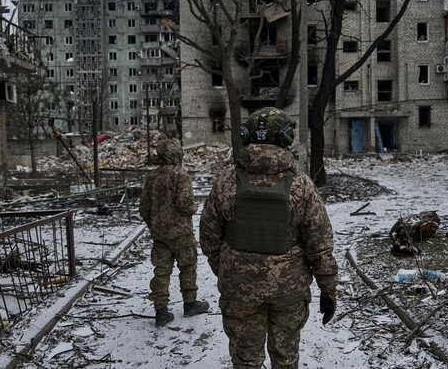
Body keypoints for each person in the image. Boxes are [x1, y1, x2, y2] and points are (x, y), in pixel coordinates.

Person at [200, 107, 338, 369]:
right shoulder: (302, 185)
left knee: (246, 360)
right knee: (285, 360)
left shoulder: (225, 182)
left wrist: (229, 270)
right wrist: (328, 289)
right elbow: (320, 246)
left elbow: (208, 237)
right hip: (289, 291)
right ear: (285, 138)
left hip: (239, 290)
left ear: (247, 137)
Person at [139, 139, 210, 327]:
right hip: (181, 232)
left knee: (161, 271)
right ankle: (190, 303)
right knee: (187, 267)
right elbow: (184, 204)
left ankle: (161, 311)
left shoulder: (151, 177)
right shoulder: (181, 175)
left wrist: (154, 224)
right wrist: (194, 208)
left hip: (160, 235)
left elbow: (144, 207)